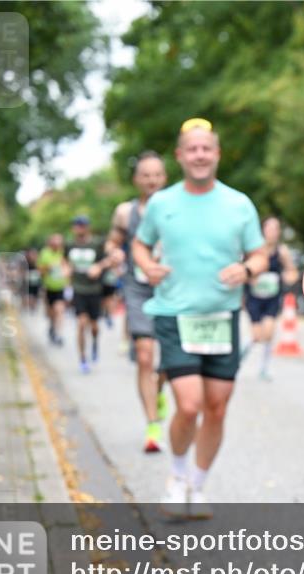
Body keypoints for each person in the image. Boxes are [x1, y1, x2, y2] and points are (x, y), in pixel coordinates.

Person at [133, 118, 268, 517]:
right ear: (180, 156)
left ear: (217, 154)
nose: (199, 155)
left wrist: (247, 270)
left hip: (222, 315)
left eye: (206, 148)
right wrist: (147, 267)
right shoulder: (161, 203)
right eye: (191, 149)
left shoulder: (238, 203)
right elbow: (139, 247)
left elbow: (260, 254)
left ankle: (197, 483)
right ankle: (175, 477)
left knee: (217, 407)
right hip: (175, 314)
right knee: (189, 405)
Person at [112, 150, 170, 453]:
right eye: (145, 175)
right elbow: (112, 240)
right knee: (145, 356)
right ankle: (152, 426)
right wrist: (115, 252)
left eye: (157, 175)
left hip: (171, 290)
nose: (151, 180)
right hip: (138, 289)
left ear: (165, 178)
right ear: (136, 179)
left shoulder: (177, 207)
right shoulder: (125, 212)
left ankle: (159, 387)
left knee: (170, 362)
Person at [244, 216, 299, 380]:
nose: (272, 232)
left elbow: (292, 272)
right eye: (269, 228)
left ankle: (264, 368)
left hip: (272, 298)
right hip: (254, 297)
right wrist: (250, 277)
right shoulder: (254, 250)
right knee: (256, 336)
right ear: (263, 230)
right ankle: (237, 360)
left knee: (268, 333)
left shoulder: (282, 252)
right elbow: (244, 271)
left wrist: (288, 277)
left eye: (276, 229)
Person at [67, 215, 116, 373]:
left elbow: (111, 259)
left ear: (87, 227)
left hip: (94, 290)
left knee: (94, 326)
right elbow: (64, 261)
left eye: (82, 225)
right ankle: (83, 358)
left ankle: (94, 342)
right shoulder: (69, 244)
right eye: (77, 225)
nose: (79, 228)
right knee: (81, 323)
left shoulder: (97, 243)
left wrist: (99, 267)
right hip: (78, 289)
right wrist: (65, 269)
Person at [38, 233, 70, 346]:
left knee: (59, 310)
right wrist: (49, 267)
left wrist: (67, 275)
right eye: (55, 241)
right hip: (48, 287)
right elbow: (40, 271)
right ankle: (52, 326)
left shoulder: (64, 253)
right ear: (51, 242)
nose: (57, 244)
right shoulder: (44, 253)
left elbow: (69, 267)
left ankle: (58, 334)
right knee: (51, 312)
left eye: (59, 242)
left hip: (61, 287)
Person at [23, 246, 41, 312]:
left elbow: (40, 270)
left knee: (35, 295)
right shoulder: (25, 261)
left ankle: (33, 307)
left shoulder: (38, 261)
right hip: (27, 281)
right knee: (28, 295)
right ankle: (28, 307)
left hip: (36, 281)